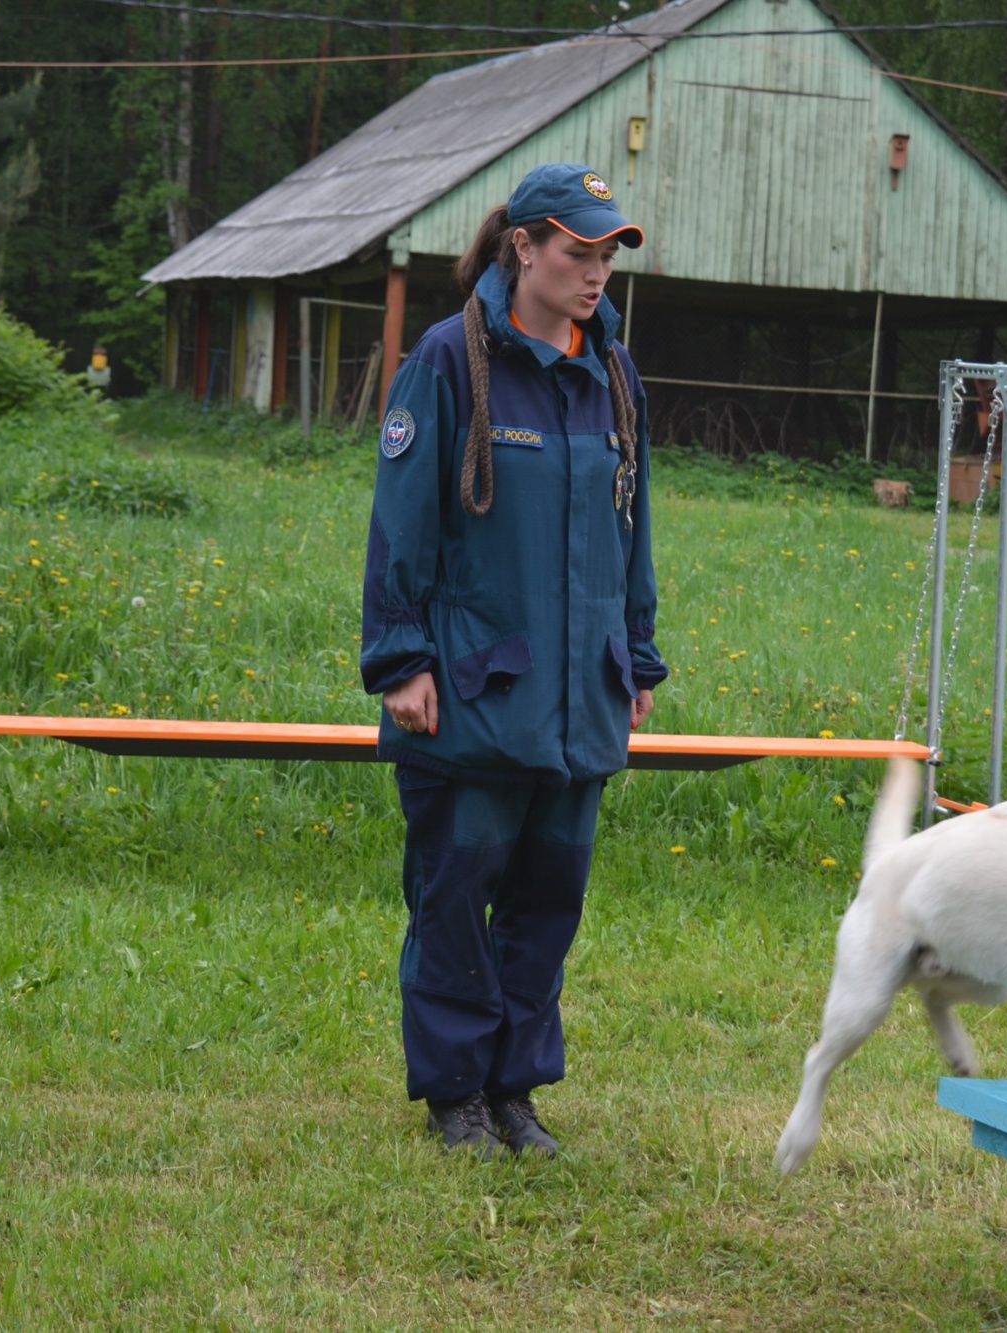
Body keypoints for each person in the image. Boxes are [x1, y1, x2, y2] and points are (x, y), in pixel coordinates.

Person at [359, 163, 667, 1158]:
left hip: (580, 699)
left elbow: (635, 534)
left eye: (607, 257)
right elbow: (400, 524)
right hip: (470, 693)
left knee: (546, 904)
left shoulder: (615, 375)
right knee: (454, 895)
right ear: (522, 247)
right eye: (576, 253)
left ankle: (513, 1091)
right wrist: (400, 656)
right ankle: (454, 1094)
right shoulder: (452, 363)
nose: (593, 276)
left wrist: (641, 661)